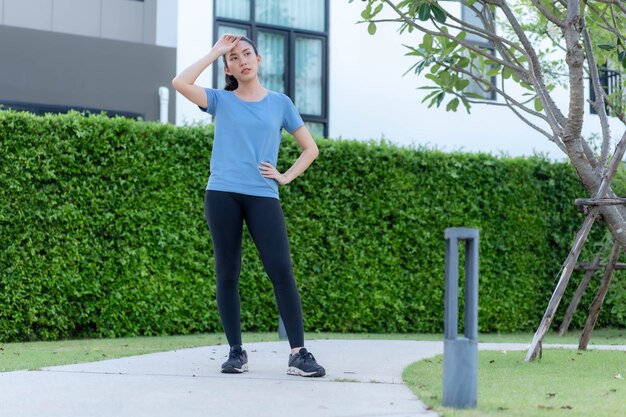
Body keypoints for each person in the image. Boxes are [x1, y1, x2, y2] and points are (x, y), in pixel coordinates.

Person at [171, 34, 325, 377]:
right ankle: (235, 352)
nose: (242, 60)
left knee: (281, 270)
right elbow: (179, 82)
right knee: (227, 273)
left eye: (247, 54)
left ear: (259, 60)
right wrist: (214, 51)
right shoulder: (220, 100)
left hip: (263, 195)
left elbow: (310, 149)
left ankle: (299, 354)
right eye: (235, 57)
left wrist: (284, 176)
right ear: (228, 67)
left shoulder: (280, 103)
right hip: (222, 193)